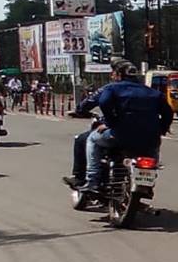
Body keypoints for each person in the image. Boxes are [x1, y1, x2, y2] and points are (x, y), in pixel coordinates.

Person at [73, 59, 172, 196]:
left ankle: (92, 181)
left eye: (113, 73)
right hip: (150, 139)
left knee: (92, 139)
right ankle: (147, 185)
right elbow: (168, 113)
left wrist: (110, 123)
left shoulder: (112, 88)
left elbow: (102, 102)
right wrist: (161, 129)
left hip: (120, 135)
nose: (112, 76)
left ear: (118, 74)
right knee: (152, 153)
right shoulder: (153, 93)